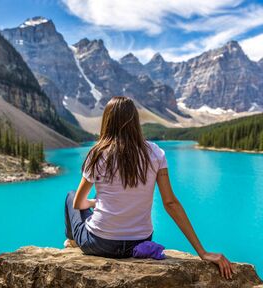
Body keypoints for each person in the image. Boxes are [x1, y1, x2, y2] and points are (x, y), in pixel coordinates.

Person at [64, 96, 234, 279]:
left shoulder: (97, 154)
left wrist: (94, 202)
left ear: (107, 122)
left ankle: (73, 242)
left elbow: (78, 204)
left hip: (100, 244)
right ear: (135, 121)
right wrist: (202, 252)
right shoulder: (155, 152)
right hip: (139, 242)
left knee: (70, 196)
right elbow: (170, 203)